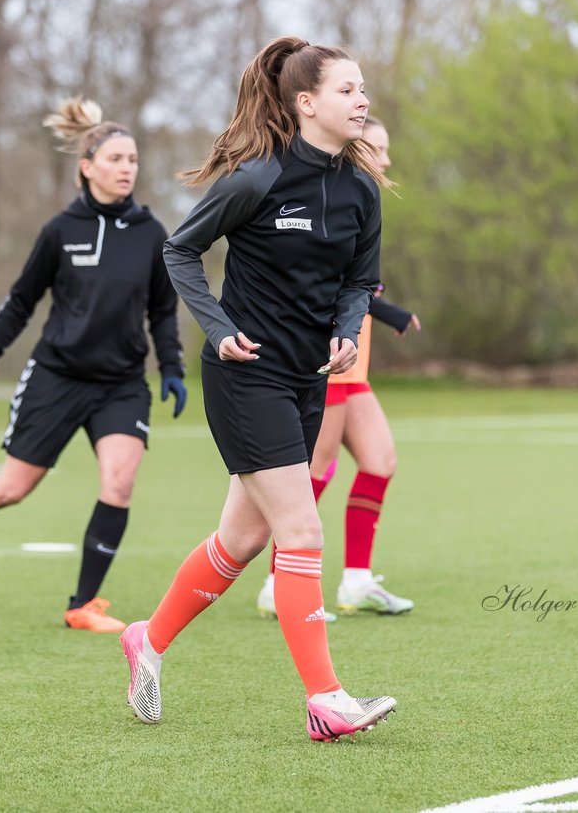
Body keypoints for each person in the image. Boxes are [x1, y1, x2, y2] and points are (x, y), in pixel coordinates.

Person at [120, 37, 397, 742]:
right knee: (301, 529)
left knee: (239, 540)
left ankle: (147, 639)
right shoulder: (257, 179)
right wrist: (215, 328)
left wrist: (346, 327)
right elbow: (179, 249)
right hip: (247, 377)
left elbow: (359, 282)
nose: (361, 100)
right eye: (347, 90)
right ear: (307, 103)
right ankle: (326, 701)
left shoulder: (362, 187)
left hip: (306, 380)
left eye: (363, 89)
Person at [0, 98, 186, 634]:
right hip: (58, 376)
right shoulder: (60, 231)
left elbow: (163, 309)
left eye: (134, 160)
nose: (127, 169)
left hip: (121, 383)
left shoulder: (151, 233)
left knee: (119, 483)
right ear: (87, 166)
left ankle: (83, 604)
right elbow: (21, 301)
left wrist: (172, 367)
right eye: (116, 158)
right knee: (11, 489)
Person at [255, 115, 420, 620]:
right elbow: (326, 285)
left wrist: (382, 309)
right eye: (380, 148)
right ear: (355, 150)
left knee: (379, 462)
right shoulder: (331, 198)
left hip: (356, 370)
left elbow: (358, 286)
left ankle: (356, 582)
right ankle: (275, 585)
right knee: (308, 477)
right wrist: (384, 309)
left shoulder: (360, 203)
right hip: (328, 366)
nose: (387, 159)